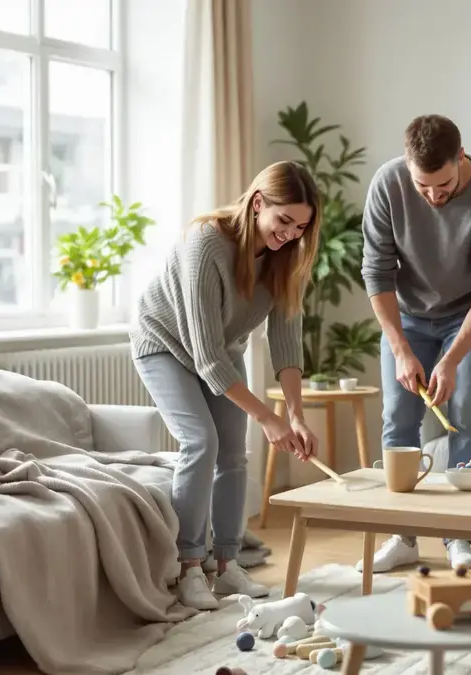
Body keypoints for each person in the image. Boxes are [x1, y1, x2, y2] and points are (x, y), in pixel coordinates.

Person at [131, 160, 322, 610]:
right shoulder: (206, 243)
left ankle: (227, 566)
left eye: (301, 226)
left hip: (219, 350)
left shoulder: (287, 256)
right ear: (259, 203)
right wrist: (268, 416)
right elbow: (206, 358)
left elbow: (287, 343)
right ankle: (188, 567)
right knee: (202, 441)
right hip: (164, 343)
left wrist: (294, 414)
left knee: (235, 453)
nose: (292, 234)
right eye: (284, 221)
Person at [359, 114, 471, 573]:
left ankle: (459, 536)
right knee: (398, 417)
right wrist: (400, 348)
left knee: (464, 412)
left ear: (461, 157)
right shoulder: (388, 184)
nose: (433, 196)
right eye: (422, 186)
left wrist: (451, 359)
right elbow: (376, 272)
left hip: (469, 315)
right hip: (406, 317)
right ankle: (404, 536)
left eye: (443, 184)